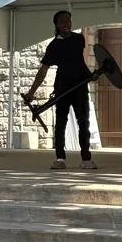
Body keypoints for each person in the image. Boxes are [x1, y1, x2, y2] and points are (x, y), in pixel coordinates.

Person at [24, 10, 96, 170]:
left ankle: (86, 158)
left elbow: (79, 61)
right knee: (61, 123)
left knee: (83, 122)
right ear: (56, 25)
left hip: (80, 85)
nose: (66, 24)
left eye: (68, 20)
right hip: (62, 86)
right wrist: (31, 92)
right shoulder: (54, 46)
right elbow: (43, 70)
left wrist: (89, 75)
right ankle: (60, 158)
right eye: (62, 21)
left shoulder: (79, 39)